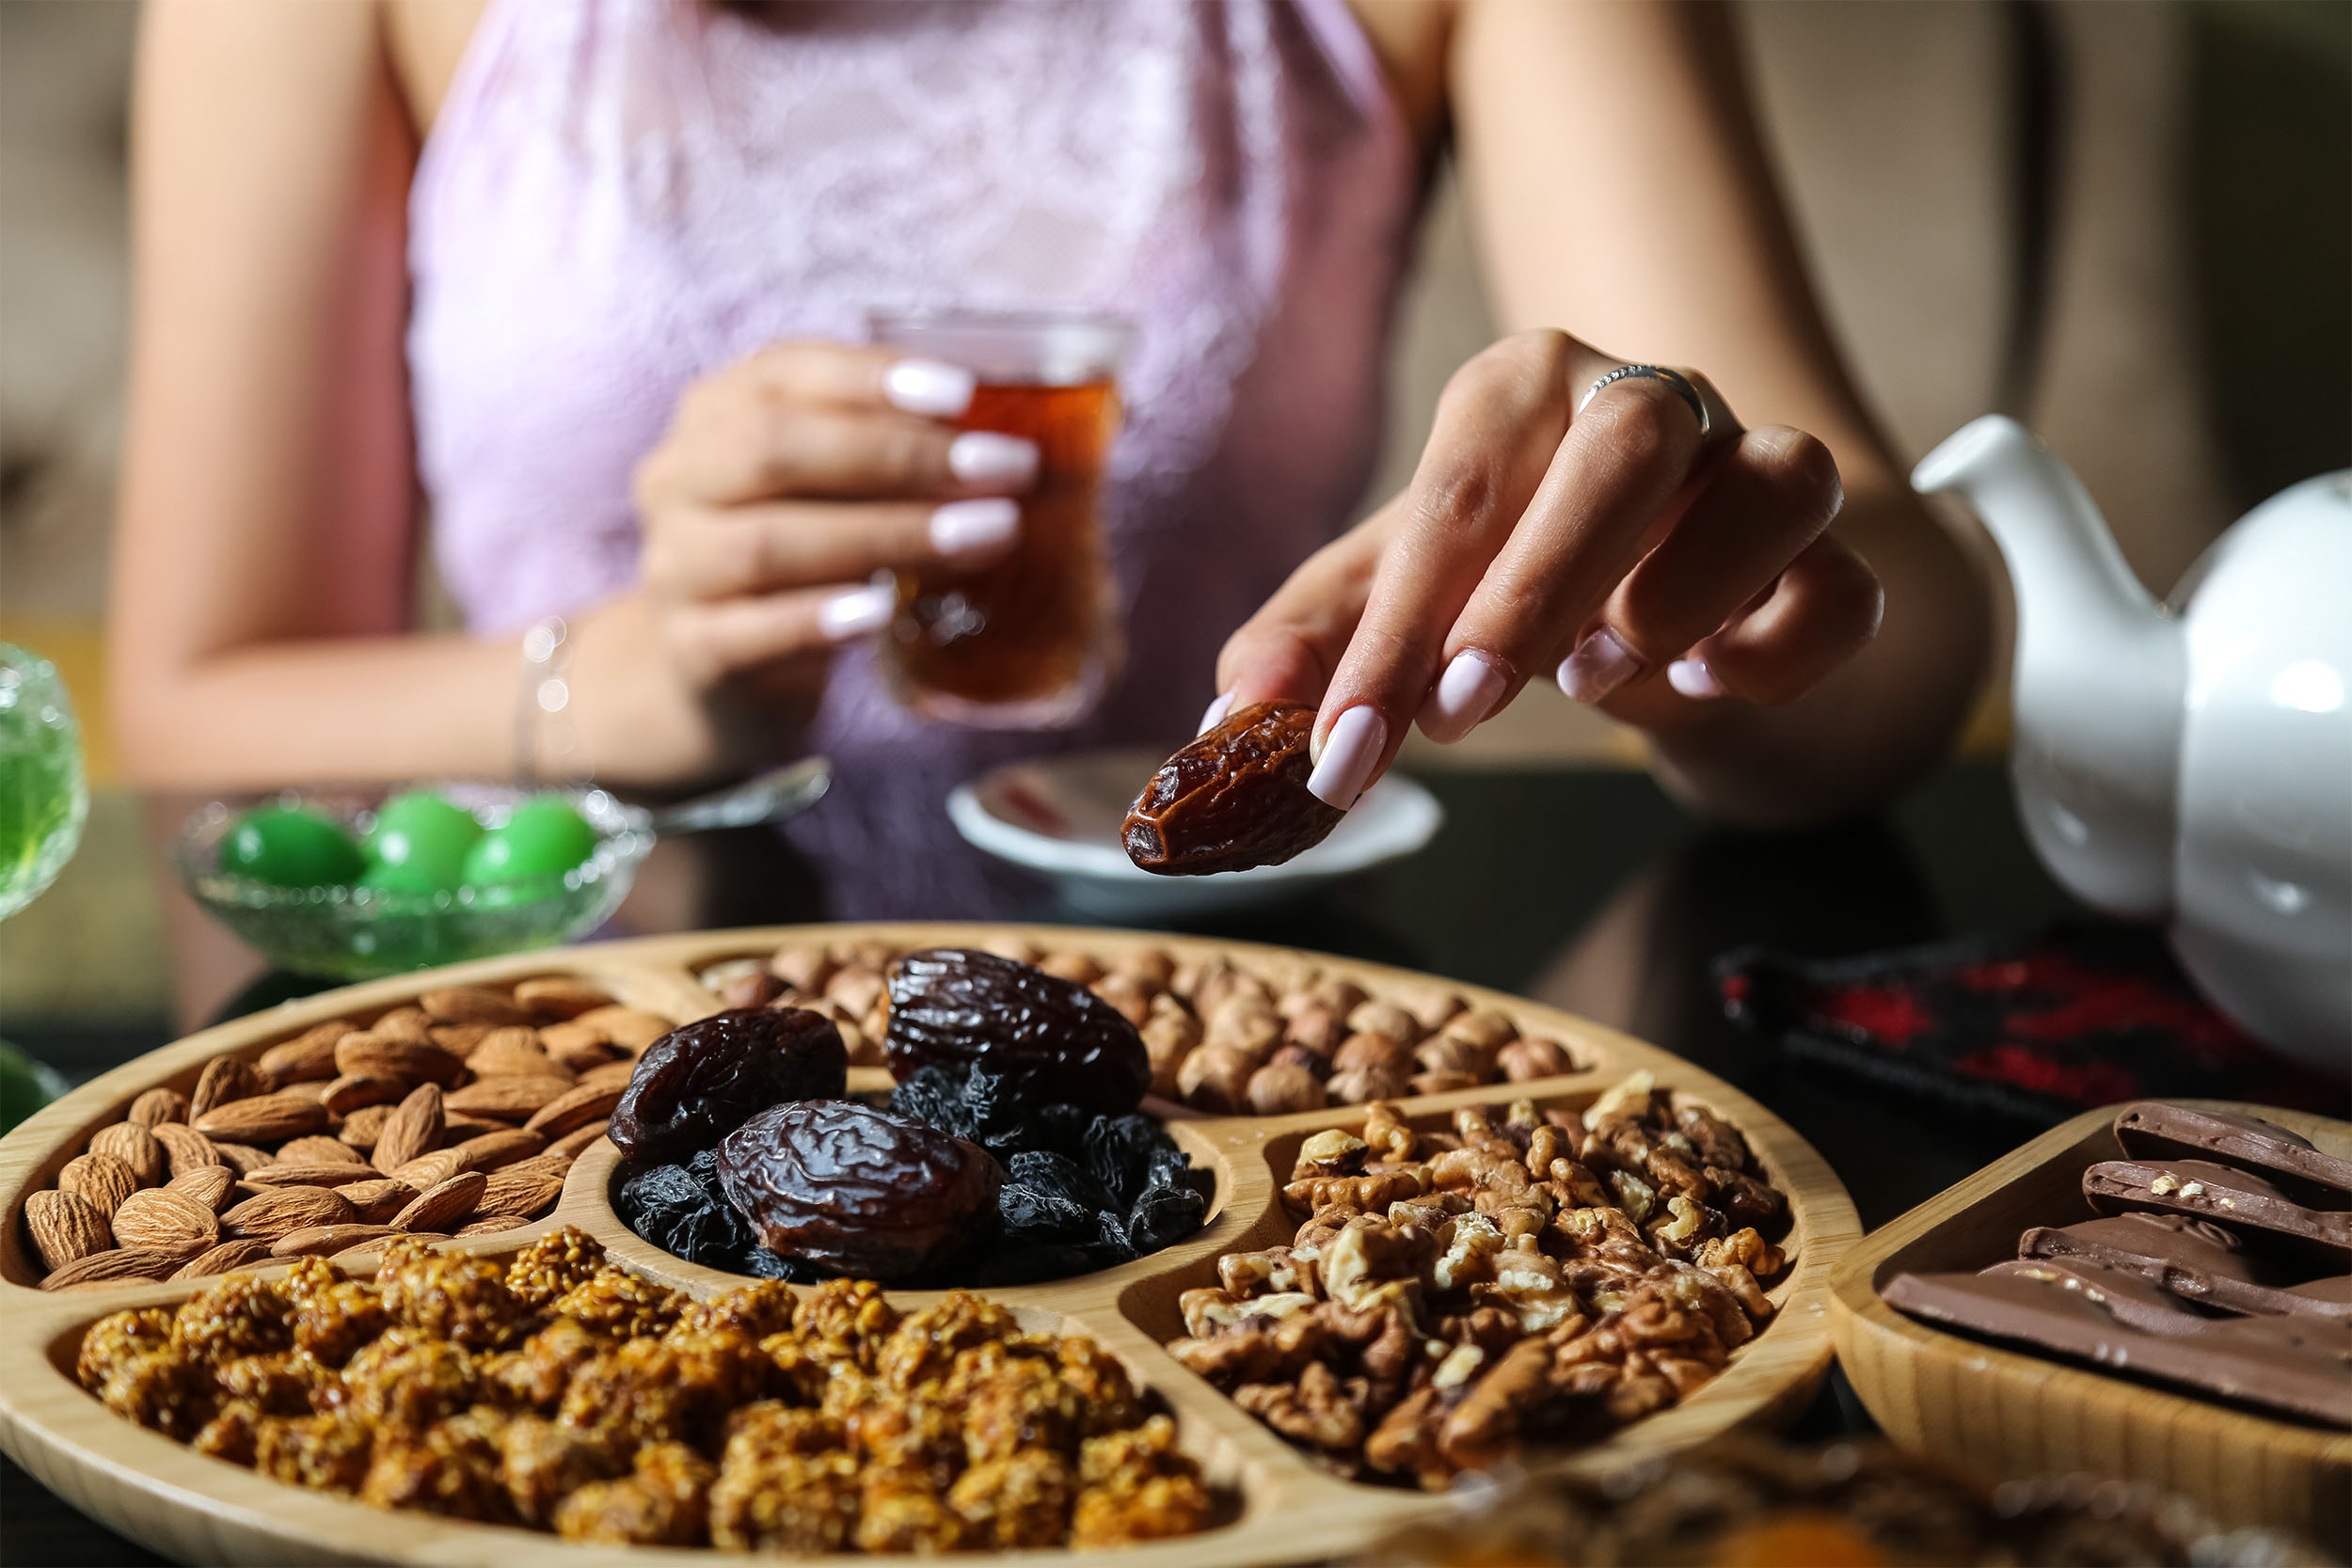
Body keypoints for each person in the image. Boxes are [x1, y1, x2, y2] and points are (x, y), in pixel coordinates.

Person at [110, 0, 1987, 916]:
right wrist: (624, 679)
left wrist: (1741, 591)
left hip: (1209, 1025)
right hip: (559, 1025)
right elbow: (193, 703)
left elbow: (1903, 641)